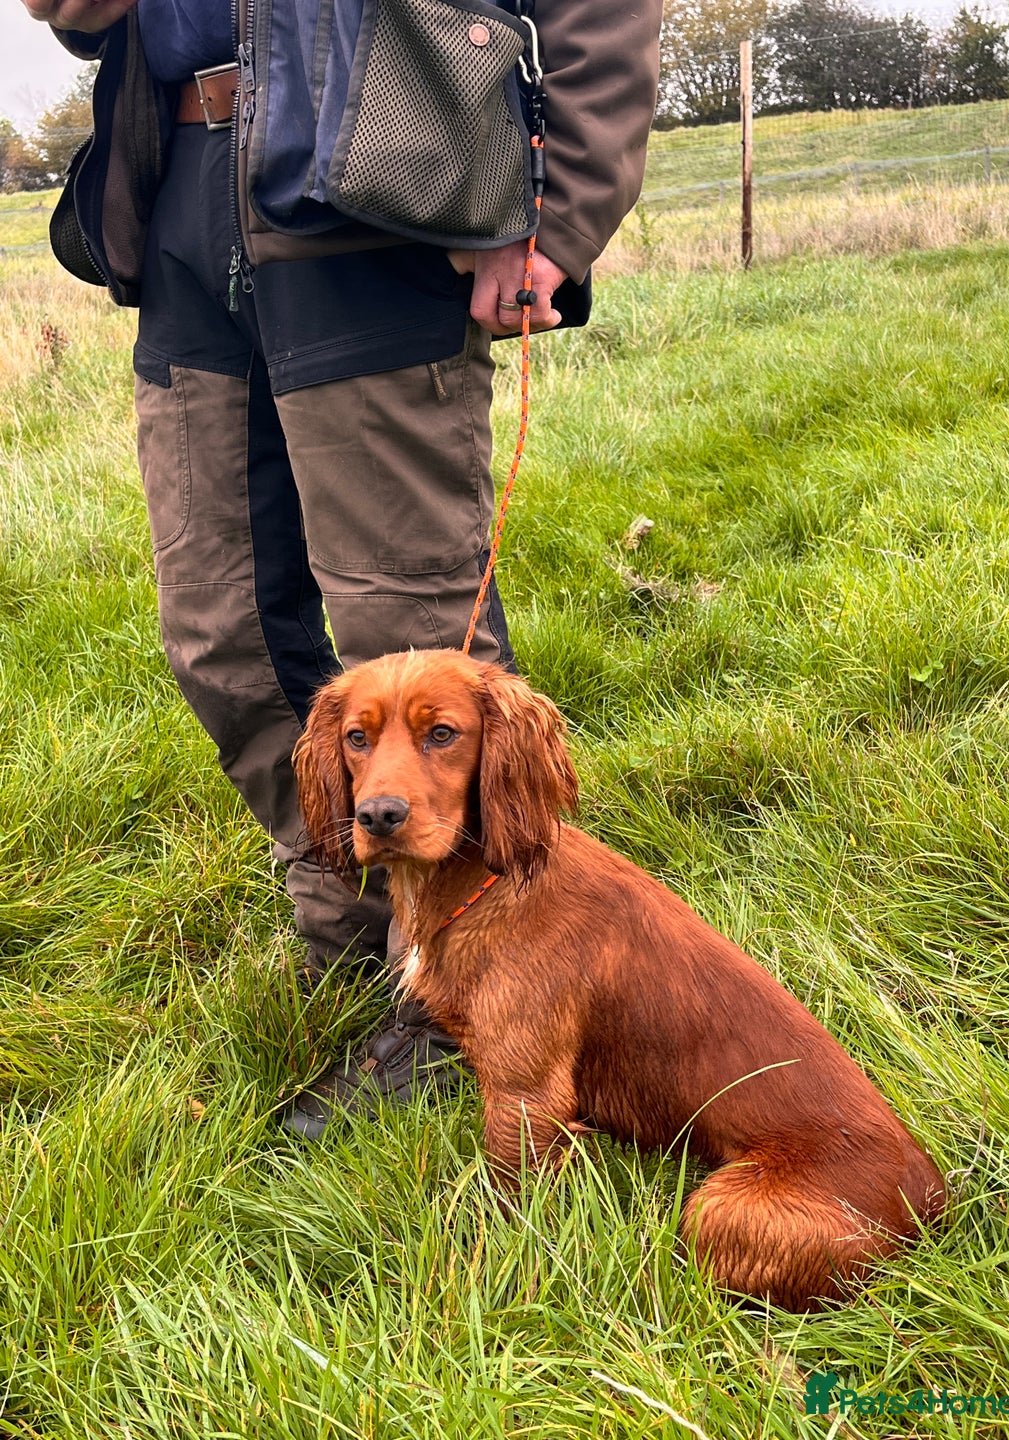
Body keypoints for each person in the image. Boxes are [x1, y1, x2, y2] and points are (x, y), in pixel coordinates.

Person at [20, 0, 662, 1137]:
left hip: (383, 185)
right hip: (181, 192)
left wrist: (558, 215)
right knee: (217, 633)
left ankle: (472, 969)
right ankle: (359, 925)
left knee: (407, 624)